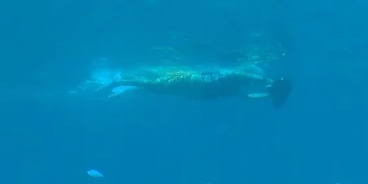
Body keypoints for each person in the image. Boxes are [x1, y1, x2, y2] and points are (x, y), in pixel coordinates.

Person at [90, 64, 293, 107]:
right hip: (191, 82)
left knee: (154, 88)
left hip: (193, 89)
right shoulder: (241, 80)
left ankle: (126, 85)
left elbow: (249, 97)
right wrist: (269, 83)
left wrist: (269, 95)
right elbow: (237, 72)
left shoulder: (236, 89)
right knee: (152, 84)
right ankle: (120, 80)